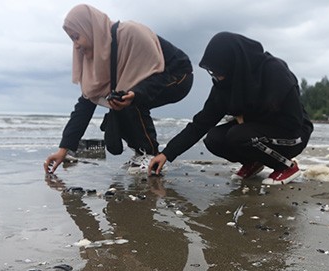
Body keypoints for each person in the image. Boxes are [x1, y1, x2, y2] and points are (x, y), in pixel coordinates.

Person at [44, 4, 193, 175]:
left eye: (77, 37)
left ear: (89, 28)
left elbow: (157, 73)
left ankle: (150, 154)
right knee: (120, 100)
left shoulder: (131, 33)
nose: (76, 45)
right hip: (143, 83)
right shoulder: (98, 55)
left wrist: (137, 94)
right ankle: (141, 153)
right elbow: (86, 103)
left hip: (177, 75)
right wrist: (64, 149)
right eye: (72, 39)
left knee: (129, 99)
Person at [148, 32, 313, 185]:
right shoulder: (224, 85)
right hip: (256, 132)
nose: (217, 76)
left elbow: (293, 120)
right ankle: (253, 162)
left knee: (239, 135)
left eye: (219, 71)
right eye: (213, 72)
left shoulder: (273, 70)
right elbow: (200, 124)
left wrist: (246, 120)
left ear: (234, 63)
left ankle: (286, 167)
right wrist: (166, 154)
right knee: (214, 138)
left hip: (294, 133)